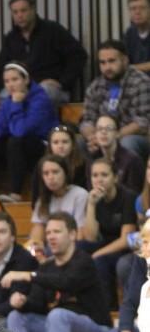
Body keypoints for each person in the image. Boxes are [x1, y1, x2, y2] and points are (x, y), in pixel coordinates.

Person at [2, 212, 113, 332]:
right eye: (48, 233)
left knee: (58, 315)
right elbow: (38, 304)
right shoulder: (47, 267)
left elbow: (67, 282)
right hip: (58, 330)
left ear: (72, 234)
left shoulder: (84, 261)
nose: (51, 237)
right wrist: (22, 302)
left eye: (57, 232)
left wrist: (29, 275)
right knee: (16, 317)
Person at [0, 0, 87, 105]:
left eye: (23, 10)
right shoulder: (11, 38)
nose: (19, 15)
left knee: (40, 94)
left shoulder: (53, 31)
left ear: (33, 10)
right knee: (0, 99)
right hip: (20, 87)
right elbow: (2, 67)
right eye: (15, 12)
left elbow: (79, 56)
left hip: (50, 88)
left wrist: (62, 82)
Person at [0, 62, 58, 203]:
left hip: (41, 147)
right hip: (20, 148)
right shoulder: (8, 101)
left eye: (15, 79)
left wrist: (17, 105)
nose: (10, 85)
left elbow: (21, 131)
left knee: (15, 141)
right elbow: (0, 124)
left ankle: (16, 193)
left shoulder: (40, 99)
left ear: (26, 80)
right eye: (6, 81)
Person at [0, 211, 46, 326]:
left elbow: (14, 304)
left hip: (18, 319)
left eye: (2, 232)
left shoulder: (26, 260)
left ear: (12, 237)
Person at [79, 158, 136, 307]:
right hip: (106, 244)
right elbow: (90, 238)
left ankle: (109, 309)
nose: (99, 180)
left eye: (104, 175)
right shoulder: (93, 198)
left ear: (115, 177)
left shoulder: (127, 197)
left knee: (99, 260)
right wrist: (91, 205)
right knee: (78, 248)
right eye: (95, 175)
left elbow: (126, 239)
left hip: (128, 247)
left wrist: (99, 253)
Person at [80, 39, 150, 160]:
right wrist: (92, 136)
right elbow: (87, 120)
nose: (107, 67)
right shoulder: (95, 86)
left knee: (127, 143)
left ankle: (127, 178)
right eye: (103, 63)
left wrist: (115, 136)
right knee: (78, 144)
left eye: (112, 61)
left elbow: (143, 122)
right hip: (104, 136)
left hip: (134, 137)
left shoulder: (141, 82)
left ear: (125, 60)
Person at [28, 154, 88, 252]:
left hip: (73, 245)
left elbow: (80, 234)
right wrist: (35, 246)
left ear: (65, 173)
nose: (50, 177)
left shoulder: (80, 195)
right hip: (50, 245)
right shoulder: (42, 199)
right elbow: (38, 228)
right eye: (46, 173)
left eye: (55, 172)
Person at [85, 114, 144, 194]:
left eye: (108, 128)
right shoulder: (92, 159)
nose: (103, 132)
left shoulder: (132, 160)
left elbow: (133, 195)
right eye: (99, 129)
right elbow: (90, 190)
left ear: (117, 133)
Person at [30, 124, 87, 202]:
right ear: (50, 145)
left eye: (65, 142)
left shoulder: (83, 165)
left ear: (73, 144)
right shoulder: (42, 166)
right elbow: (36, 197)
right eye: (56, 142)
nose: (60, 146)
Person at [123, 0, 150, 72]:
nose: (137, 12)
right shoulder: (130, 33)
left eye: (142, 8)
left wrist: (129, 69)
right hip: (136, 82)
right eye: (133, 9)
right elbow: (124, 60)